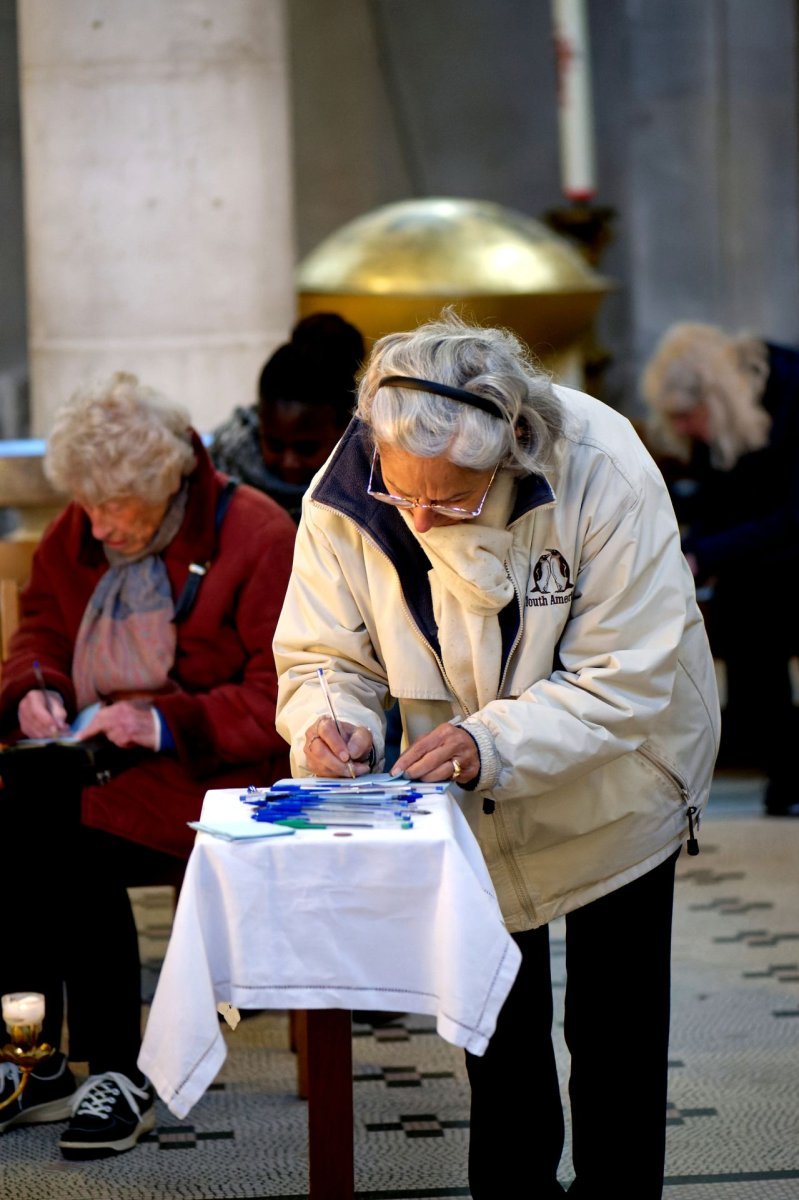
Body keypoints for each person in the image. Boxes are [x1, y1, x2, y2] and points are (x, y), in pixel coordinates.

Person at [273, 310, 721, 1199]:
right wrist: (334, 717)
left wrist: (486, 741)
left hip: (620, 782)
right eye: (406, 496)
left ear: (511, 446)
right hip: (470, 809)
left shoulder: (601, 465)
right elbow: (325, 651)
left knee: (615, 1044)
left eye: (453, 498)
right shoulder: (351, 485)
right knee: (496, 1042)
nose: (424, 518)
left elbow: (622, 679)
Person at [0, 371, 296, 1158]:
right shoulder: (83, 525)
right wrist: (35, 689)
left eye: (117, 510)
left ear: (169, 485)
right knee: (18, 816)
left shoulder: (256, 534)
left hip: (217, 772)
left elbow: (280, 698)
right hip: (96, 757)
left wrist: (164, 720)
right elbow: (40, 629)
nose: (98, 527)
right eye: (87, 508)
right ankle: (31, 1057)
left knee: (71, 834)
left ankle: (115, 1073)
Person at [641, 321, 799, 817]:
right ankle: (778, 765)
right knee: (742, 607)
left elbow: (794, 513)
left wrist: (706, 555)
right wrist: (688, 552)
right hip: (762, 560)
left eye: (687, 416)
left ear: (713, 397)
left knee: (760, 604)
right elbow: (721, 499)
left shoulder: (792, 393)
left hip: (787, 549)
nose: (682, 429)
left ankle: (784, 770)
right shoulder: (723, 415)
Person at [209, 312, 365, 522]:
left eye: (306, 448)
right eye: (274, 444)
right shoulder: (222, 466)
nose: (289, 462)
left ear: (346, 428)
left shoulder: (373, 481)